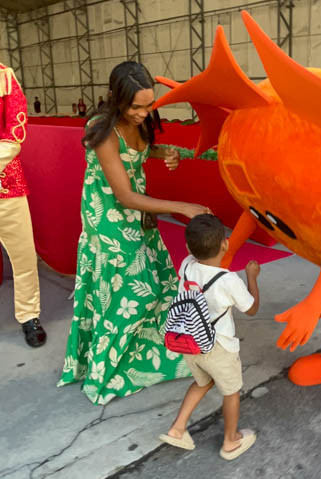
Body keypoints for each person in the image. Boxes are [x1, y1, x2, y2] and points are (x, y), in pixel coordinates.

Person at [59, 61, 210, 404]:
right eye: (136, 107)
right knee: (133, 293)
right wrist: (182, 207)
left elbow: (138, 151)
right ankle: (104, 370)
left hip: (138, 215)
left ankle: (143, 356)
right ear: (116, 97)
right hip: (108, 217)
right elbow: (124, 196)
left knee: (162, 281)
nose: (143, 113)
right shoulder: (102, 129)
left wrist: (164, 153)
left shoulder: (140, 122)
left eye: (149, 105)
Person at [159, 214, 260, 461]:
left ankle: (177, 428)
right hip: (219, 346)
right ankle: (231, 441)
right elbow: (252, 308)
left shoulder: (186, 265)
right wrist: (252, 277)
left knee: (203, 382)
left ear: (188, 248)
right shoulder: (229, 281)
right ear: (225, 244)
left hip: (190, 341)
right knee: (231, 391)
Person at [0, 63, 46, 347]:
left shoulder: (4, 76)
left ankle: (29, 315)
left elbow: (15, 130)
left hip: (7, 184)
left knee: (24, 257)